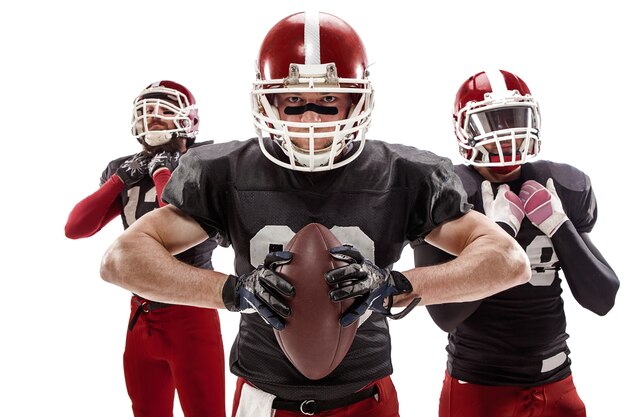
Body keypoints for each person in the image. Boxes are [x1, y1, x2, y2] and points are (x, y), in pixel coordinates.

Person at [100, 13, 530, 417]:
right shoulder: (224, 171)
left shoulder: (405, 174)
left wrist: (396, 285)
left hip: (367, 393)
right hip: (263, 395)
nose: (309, 116)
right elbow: (121, 260)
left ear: (356, 101)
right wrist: (233, 292)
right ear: (267, 102)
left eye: (327, 99)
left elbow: (508, 261)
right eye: (293, 100)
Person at [414, 69, 620, 417]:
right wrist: (498, 237)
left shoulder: (561, 187)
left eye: (512, 120)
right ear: (465, 130)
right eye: (491, 125)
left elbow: (603, 298)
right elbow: (445, 315)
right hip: (480, 387)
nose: (505, 137)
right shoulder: (446, 194)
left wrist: (560, 225)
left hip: (557, 382)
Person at [65, 80, 226, 417]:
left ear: (187, 119)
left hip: (191, 312)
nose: (153, 117)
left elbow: (179, 218)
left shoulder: (207, 163)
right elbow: (76, 228)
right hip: (142, 315)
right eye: (147, 111)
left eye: (164, 110)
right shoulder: (126, 168)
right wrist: (120, 180)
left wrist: (164, 173)